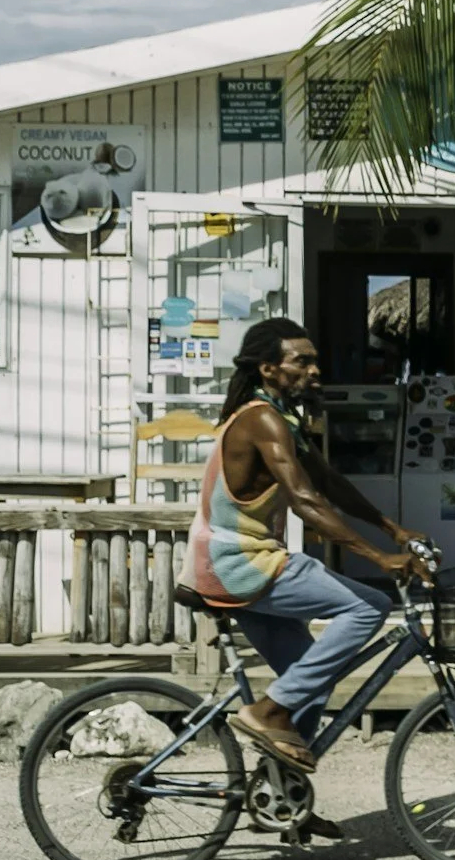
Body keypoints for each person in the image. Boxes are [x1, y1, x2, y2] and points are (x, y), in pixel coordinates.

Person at [182, 316, 430, 776]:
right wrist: (379, 558)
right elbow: (305, 501)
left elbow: (328, 483)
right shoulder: (261, 420)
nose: (315, 370)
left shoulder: (281, 419)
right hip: (240, 564)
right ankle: (265, 712)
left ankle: (282, 796)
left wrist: (392, 529)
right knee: (369, 606)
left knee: (309, 685)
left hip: (237, 565)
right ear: (268, 369)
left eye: (315, 361)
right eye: (303, 361)